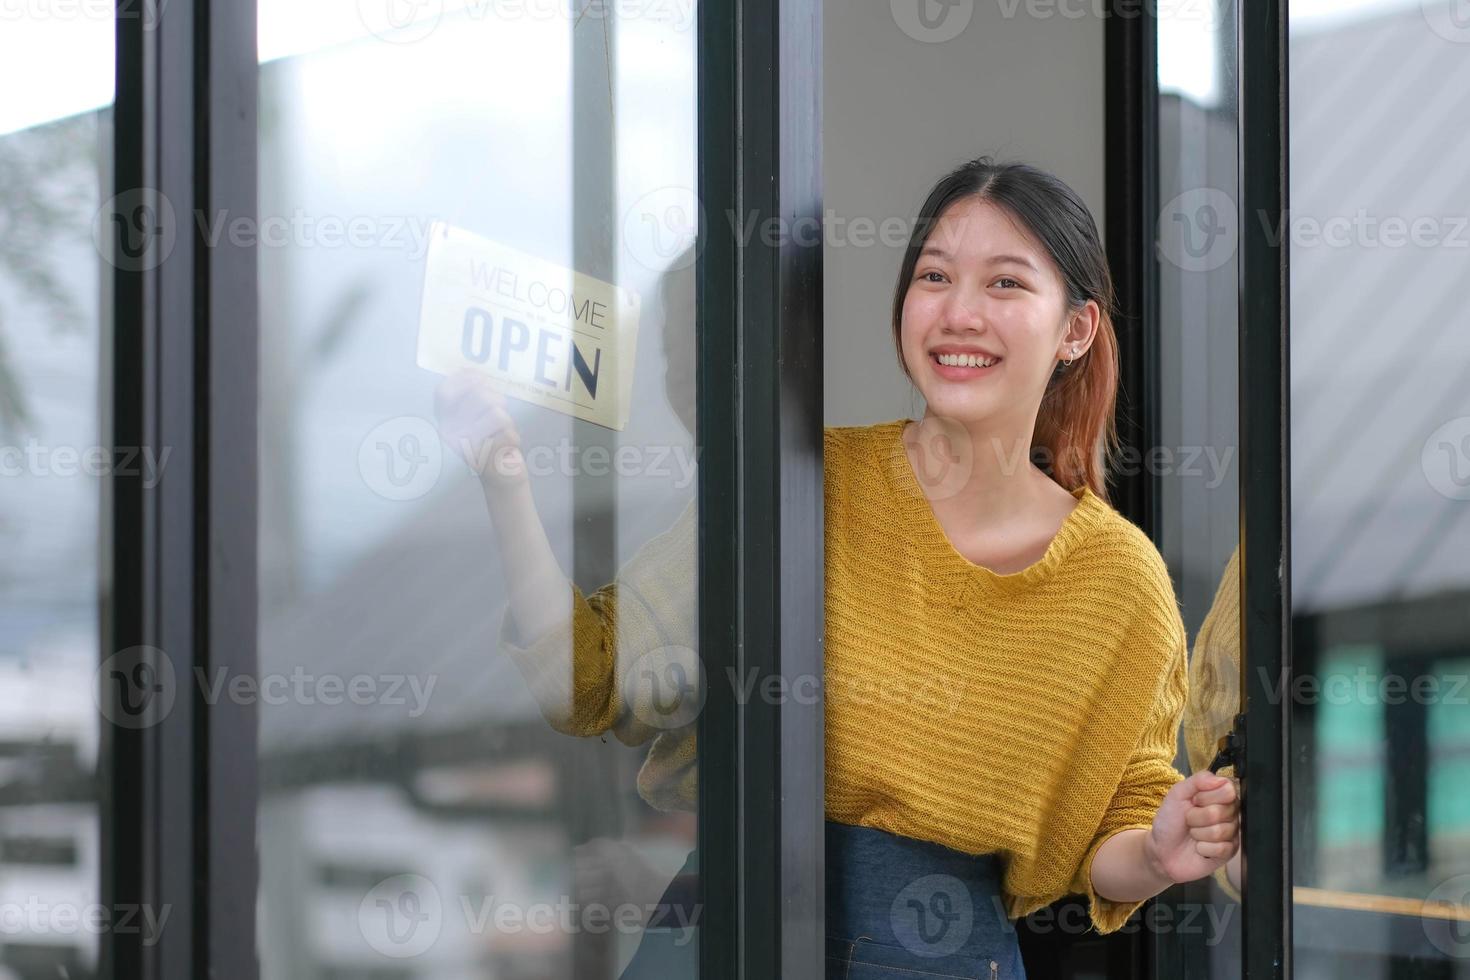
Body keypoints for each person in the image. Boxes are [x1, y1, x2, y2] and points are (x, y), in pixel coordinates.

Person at [437, 156, 1242, 979]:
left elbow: (1120, 821)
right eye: (935, 276)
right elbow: (589, 681)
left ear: (1076, 329)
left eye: (1005, 284)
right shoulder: (800, 487)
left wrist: (1160, 851)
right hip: (728, 937)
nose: (960, 312)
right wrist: (503, 479)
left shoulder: (1118, 582)